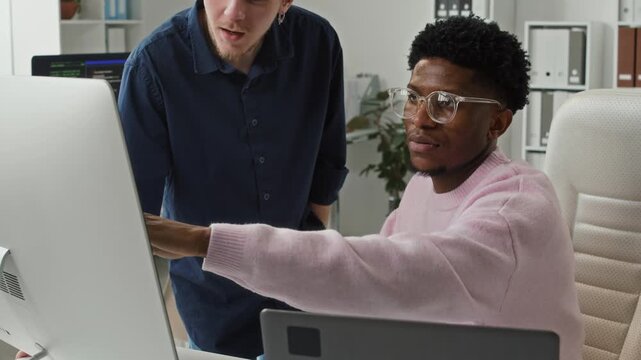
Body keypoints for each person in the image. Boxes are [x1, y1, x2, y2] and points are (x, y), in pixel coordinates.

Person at [144, 15, 585, 360]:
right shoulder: (427, 186)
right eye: (414, 97)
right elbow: (371, 297)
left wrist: (203, 241)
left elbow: (387, 271)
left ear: (498, 122)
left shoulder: (513, 211)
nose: (419, 119)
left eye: (446, 104)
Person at [116, 0, 348, 358]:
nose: (233, 12)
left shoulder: (318, 43)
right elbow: (128, 220)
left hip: (301, 284)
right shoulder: (154, 64)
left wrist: (307, 255)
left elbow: (327, 167)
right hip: (213, 302)